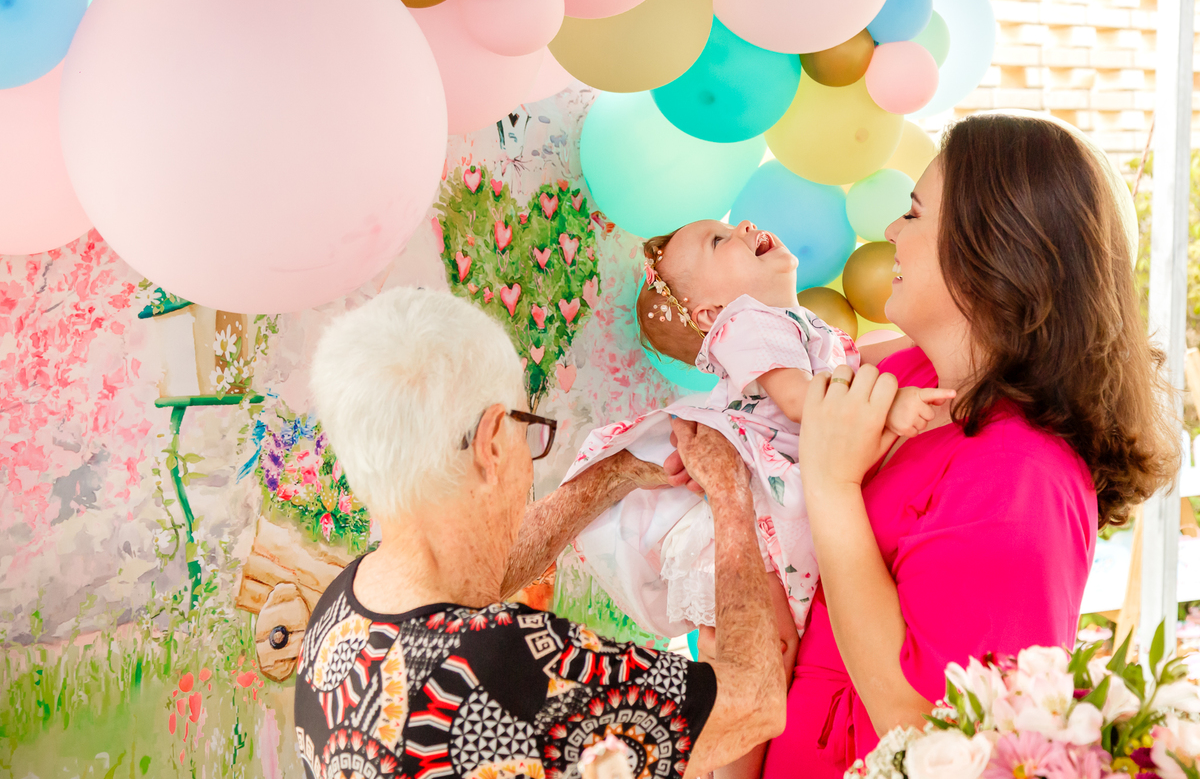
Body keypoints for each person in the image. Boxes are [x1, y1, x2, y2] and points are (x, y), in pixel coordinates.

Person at [706, 113, 1177, 778]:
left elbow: (928, 729)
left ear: (991, 250)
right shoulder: (910, 377)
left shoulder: (1022, 478)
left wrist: (833, 486)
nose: (891, 232)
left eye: (913, 213)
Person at [293, 287, 788, 779]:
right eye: (524, 429)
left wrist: (615, 472)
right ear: (491, 443)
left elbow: (478, 573)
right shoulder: (507, 663)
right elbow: (754, 701)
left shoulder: (339, 613)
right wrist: (729, 491)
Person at [563, 219, 952, 652]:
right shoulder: (747, 323)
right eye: (719, 240)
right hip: (756, 502)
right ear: (712, 314)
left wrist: (924, 340)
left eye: (728, 227)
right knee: (770, 642)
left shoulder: (795, 323)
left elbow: (853, 361)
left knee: (774, 639)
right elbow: (800, 402)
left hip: (782, 486)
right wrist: (887, 405)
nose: (744, 225)